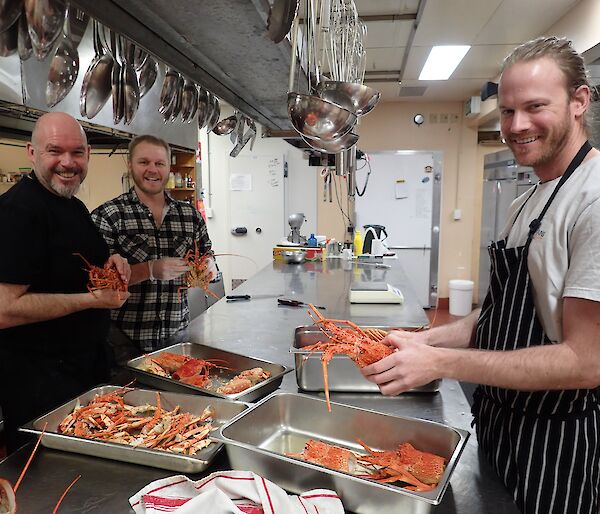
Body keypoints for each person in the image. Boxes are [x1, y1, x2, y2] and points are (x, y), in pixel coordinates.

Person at [362, 36, 600, 514]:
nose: (516, 125)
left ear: (579, 101)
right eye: (507, 111)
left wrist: (444, 365)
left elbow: (586, 361)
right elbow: (496, 316)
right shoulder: (525, 200)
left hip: (557, 436)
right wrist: (426, 342)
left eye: (535, 107)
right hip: (499, 417)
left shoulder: (593, 199)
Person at [0, 112, 131, 452]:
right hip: (40, 386)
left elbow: (73, 270)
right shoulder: (18, 212)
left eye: (78, 152)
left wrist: (114, 264)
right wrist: (92, 301)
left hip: (82, 371)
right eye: (55, 151)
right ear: (32, 153)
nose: (68, 163)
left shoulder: (71, 205)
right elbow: (3, 309)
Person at [91, 135, 215, 361]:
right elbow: (98, 282)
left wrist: (208, 266)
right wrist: (149, 269)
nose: (152, 170)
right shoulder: (108, 215)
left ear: (169, 166)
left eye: (159, 163)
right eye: (144, 162)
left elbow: (207, 253)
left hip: (177, 335)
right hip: (121, 340)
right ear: (130, 164)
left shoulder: (190, 216)